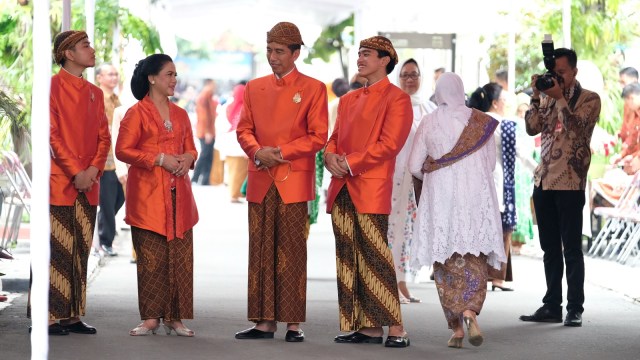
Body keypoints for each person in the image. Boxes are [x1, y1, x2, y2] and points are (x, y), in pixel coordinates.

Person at [234, 22, 328, 342]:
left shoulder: (314, 88)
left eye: (279, 52)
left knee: (292, 250)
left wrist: (282, 152)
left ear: (296, 53)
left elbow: (318, 136)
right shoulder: (254, 87)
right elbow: (243, 129)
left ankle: (292, 324)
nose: (273, 57)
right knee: (260, 250)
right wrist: (259, 151)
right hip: (261, 176)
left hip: (292, 179)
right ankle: (263, 322)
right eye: (269, 51)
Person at [324, 35, 411, 348]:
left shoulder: (397, 99)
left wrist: (347, 162)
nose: (360, 59)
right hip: (341, 186)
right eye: (358, 54)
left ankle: (397, 328)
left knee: (376, 256)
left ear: (385, 59)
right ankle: (368, 327)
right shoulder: (348, 100)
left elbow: (389, 146)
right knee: (349, 256)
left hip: (370, 187)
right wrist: (329, 156)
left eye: (367, 54)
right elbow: (333, 138)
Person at [409, 72, 506, 348]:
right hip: (476, 198)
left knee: (446, 258)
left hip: (441, 199)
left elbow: (414, 166)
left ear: (438, 93)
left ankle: (457, 328)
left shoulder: (428, 122)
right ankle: (470, 312)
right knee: (473, 256)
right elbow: (490, 166)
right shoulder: (481, 122)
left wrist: (435, 166)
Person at [116, 53, 199, 337]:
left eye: (176, 75)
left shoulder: (181, 114)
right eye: (169, 74)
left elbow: (192, 148)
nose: (174, 80)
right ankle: (150, 318)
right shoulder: (136, 113)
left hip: (180, 197)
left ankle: (175, 318)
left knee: (180, 257)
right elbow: (123, 150)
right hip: (148, 197)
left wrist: (188, 158)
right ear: (152, 78)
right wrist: (159, 158)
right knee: (152, 258)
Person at [520, 48, 601, 327]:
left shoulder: (589, 99)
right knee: (549, 248)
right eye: (554, 73)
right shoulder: (546, 95)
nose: (558, 78)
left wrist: (559, 99)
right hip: (543, 179)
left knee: (571, 248)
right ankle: (552, 304)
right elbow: (532, 128)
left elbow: (578, 131)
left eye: (562, 73)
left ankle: (574, 308)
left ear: (574, 71)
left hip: (569, 182)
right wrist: (535, 96)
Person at [46, 30, 111, 335]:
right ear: (68, 54)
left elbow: (104, 137)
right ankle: (47, 317)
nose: (92, 49)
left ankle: (73, 315)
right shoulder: (51, 88)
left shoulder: (95, 93)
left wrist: (94, 171)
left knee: (80, 249)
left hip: (90, 183)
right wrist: (76, 172)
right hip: (62, 181)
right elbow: (52, 135)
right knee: (56, 250)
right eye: (85, 45)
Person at [389, 58, 436, 305]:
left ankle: (404, 282)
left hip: (421, 180)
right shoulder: (392, 105)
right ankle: (391, 284)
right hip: (395, 177)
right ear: (398, 78)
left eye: (414, 74)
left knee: (411, 233)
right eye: (405, 75)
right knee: (394, 230)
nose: (409, 79)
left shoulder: (429, 108)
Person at [468, 82, 516, 291]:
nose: (507, 104)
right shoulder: (505, 125)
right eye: (504, 99)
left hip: (476, 182)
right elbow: (519, 153)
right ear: (496, 103)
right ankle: (497, 277)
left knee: (481, 227)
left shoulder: (474, 122)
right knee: (503, 228)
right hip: (500, 182)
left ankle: (480, 275)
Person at [95, 63, 125, 257]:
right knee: (107, 202)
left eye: (116, 74)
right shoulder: (97, 99)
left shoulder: (115, 99)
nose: (114, 78)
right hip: (103, 159)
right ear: (99, 77)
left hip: (118, 158)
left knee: (119, 198)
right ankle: (105, 241)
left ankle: (100, 232)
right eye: (110, 74)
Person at [220, 82, 249, 203]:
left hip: (228, 143)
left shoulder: (228, 106)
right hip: (238, 145)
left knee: (232, 171)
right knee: (239, 171)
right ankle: (234, 194)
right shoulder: (245, 107)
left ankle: (234, 193)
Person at [191, 79, 218, 185]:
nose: (214, 87)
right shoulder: (203, 97)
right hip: (205, 132)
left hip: (209, 131)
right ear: (208, 84)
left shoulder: (209, 96)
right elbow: (203, 116)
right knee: (204, 154)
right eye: (213, 84)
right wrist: (207, 132)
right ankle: (195, 177)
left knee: (209, 155)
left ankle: (205, 180)